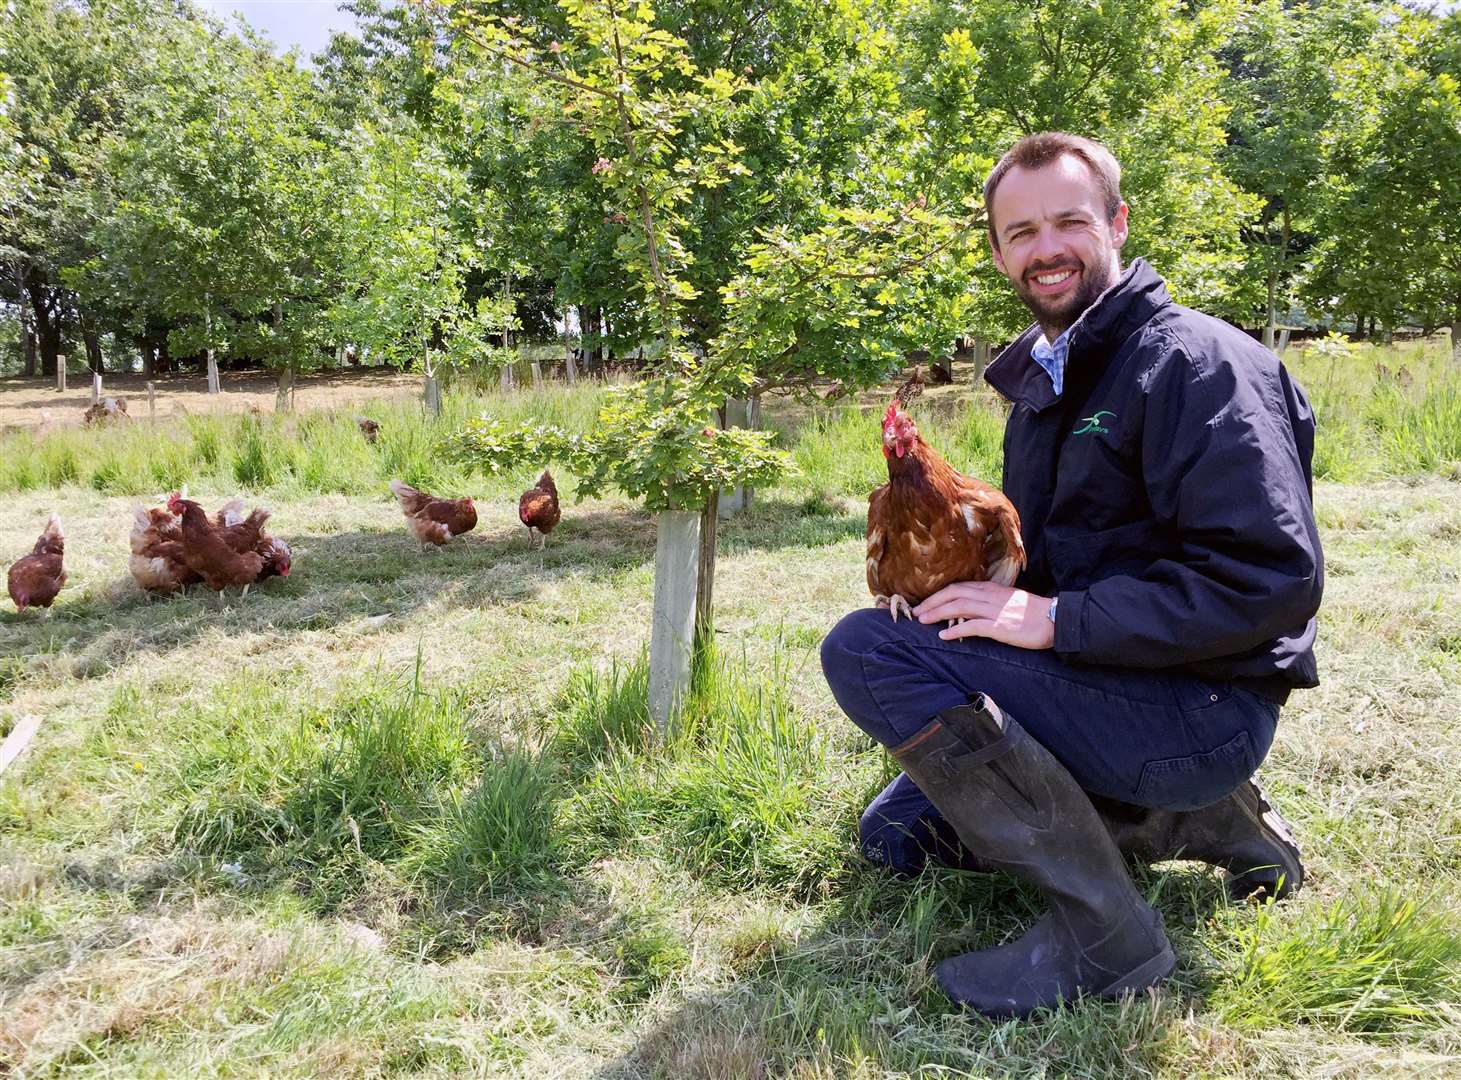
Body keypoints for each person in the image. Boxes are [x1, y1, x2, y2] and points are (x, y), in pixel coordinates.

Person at [819, 132, 1324, 1017]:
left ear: (1117, 223)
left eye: (1067, 222)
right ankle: (1198, 821)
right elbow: (1057, 556)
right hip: (1111, 680)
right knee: (898, 835)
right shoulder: (1048, 381)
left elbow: (1266, 580)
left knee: (865, 652)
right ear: (997, 250)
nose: (1043, 248)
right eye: (1019, 232)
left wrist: (1056, 622)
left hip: (1198, 705)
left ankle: (1108, 936)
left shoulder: (1195, 367)